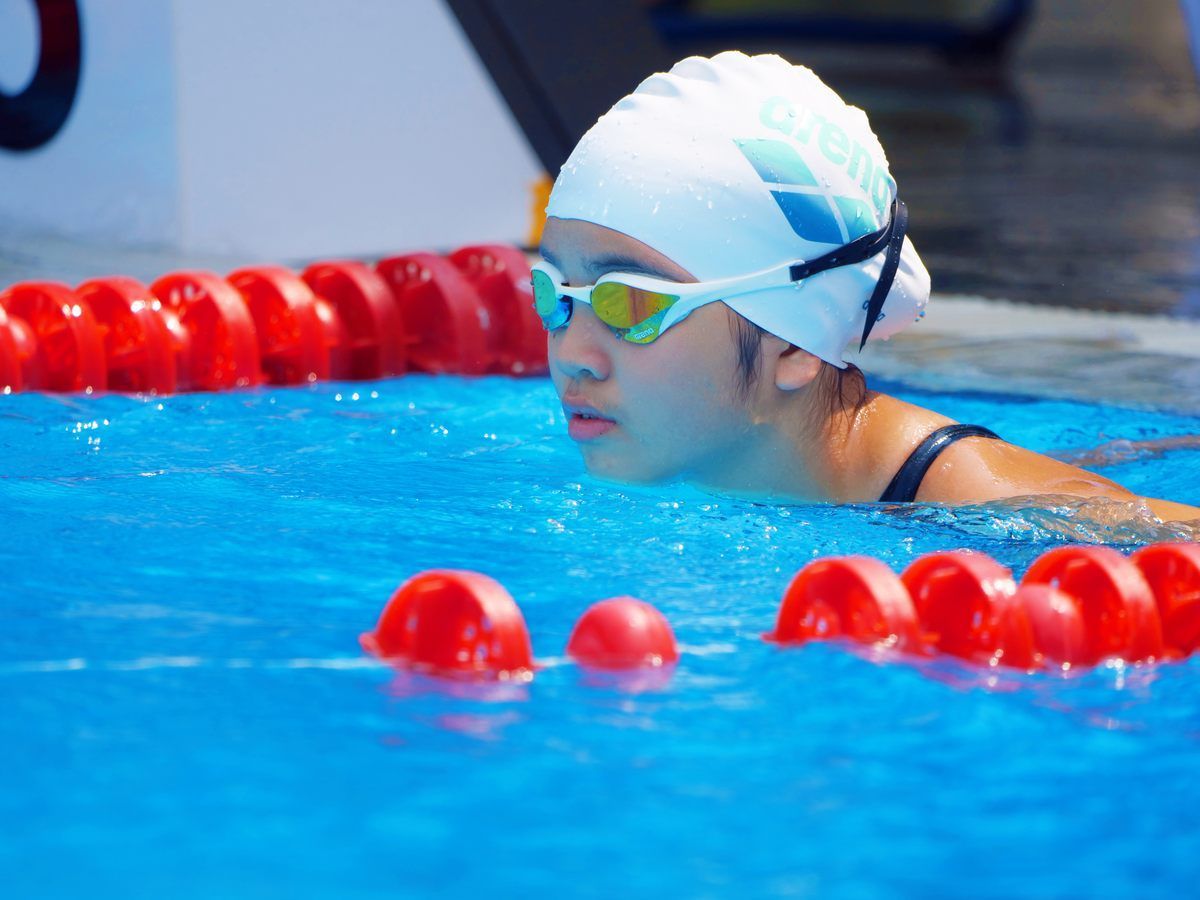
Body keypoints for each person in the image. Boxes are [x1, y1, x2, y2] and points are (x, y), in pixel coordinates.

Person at [531, 51, 1200, 524]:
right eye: (553, 296)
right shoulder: (693, 460)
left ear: (793, 345)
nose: (571, 355)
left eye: (632, 303)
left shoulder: (994, 510)